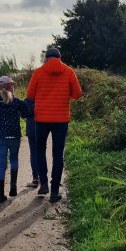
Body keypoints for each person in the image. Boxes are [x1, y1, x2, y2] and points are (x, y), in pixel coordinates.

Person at [26, 48, 82, 203]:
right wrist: (66, 92)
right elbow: (77, 94)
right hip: (61, 120)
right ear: (60, 58)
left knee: (39, 149)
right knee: (58, 155)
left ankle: (43, 183)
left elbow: (30, 95)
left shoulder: (38, 72)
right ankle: (55, 191)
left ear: (46, 58)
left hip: (42, 119)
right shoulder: (69, 72)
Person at [0, 75, 30, 202]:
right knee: (13, 160)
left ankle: (0, 196)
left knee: (1, 164)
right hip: (14, 136)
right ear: (10, 86)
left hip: (1, 136)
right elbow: (26, 113)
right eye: (13, 84)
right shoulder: (16, 101)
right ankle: (13, 188)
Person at [24, 97, 39, 188]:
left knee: (33, 153)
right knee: (41, 152)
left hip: (31, 129)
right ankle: (42, 178)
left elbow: (23, 114)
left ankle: (35, 179)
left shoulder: (27, 100)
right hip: (41, 128)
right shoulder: (42, 96)